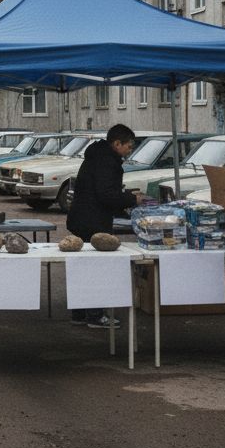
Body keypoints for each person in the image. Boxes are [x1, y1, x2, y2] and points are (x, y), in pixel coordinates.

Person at [65, 123, 145, 329]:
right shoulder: (107, 162)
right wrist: (130, 199)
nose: (130, 151)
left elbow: (101, 190)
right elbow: (106, 194)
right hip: (93, 222)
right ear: (116, 143)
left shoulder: (97, 155)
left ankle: (80, 312)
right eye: (128, 146)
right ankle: (95, 315)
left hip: (82, 218)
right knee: (96, 269)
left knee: (83, 269)